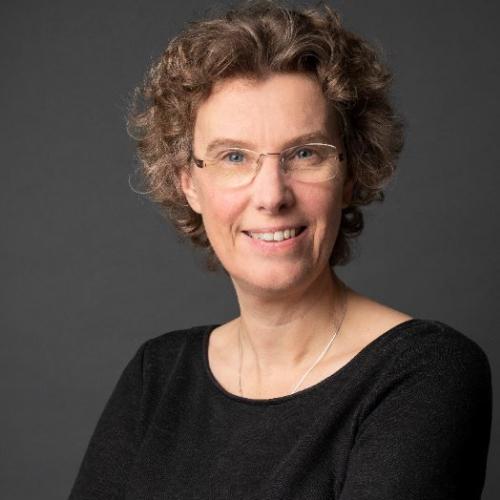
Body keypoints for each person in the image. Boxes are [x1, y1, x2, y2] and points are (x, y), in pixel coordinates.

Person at [68, 1, 492, 498]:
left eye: (305, 153)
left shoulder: (424, 372)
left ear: (350, 173)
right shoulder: (157, 377)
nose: (272, 196)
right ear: (188, 183)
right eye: (233, 156)